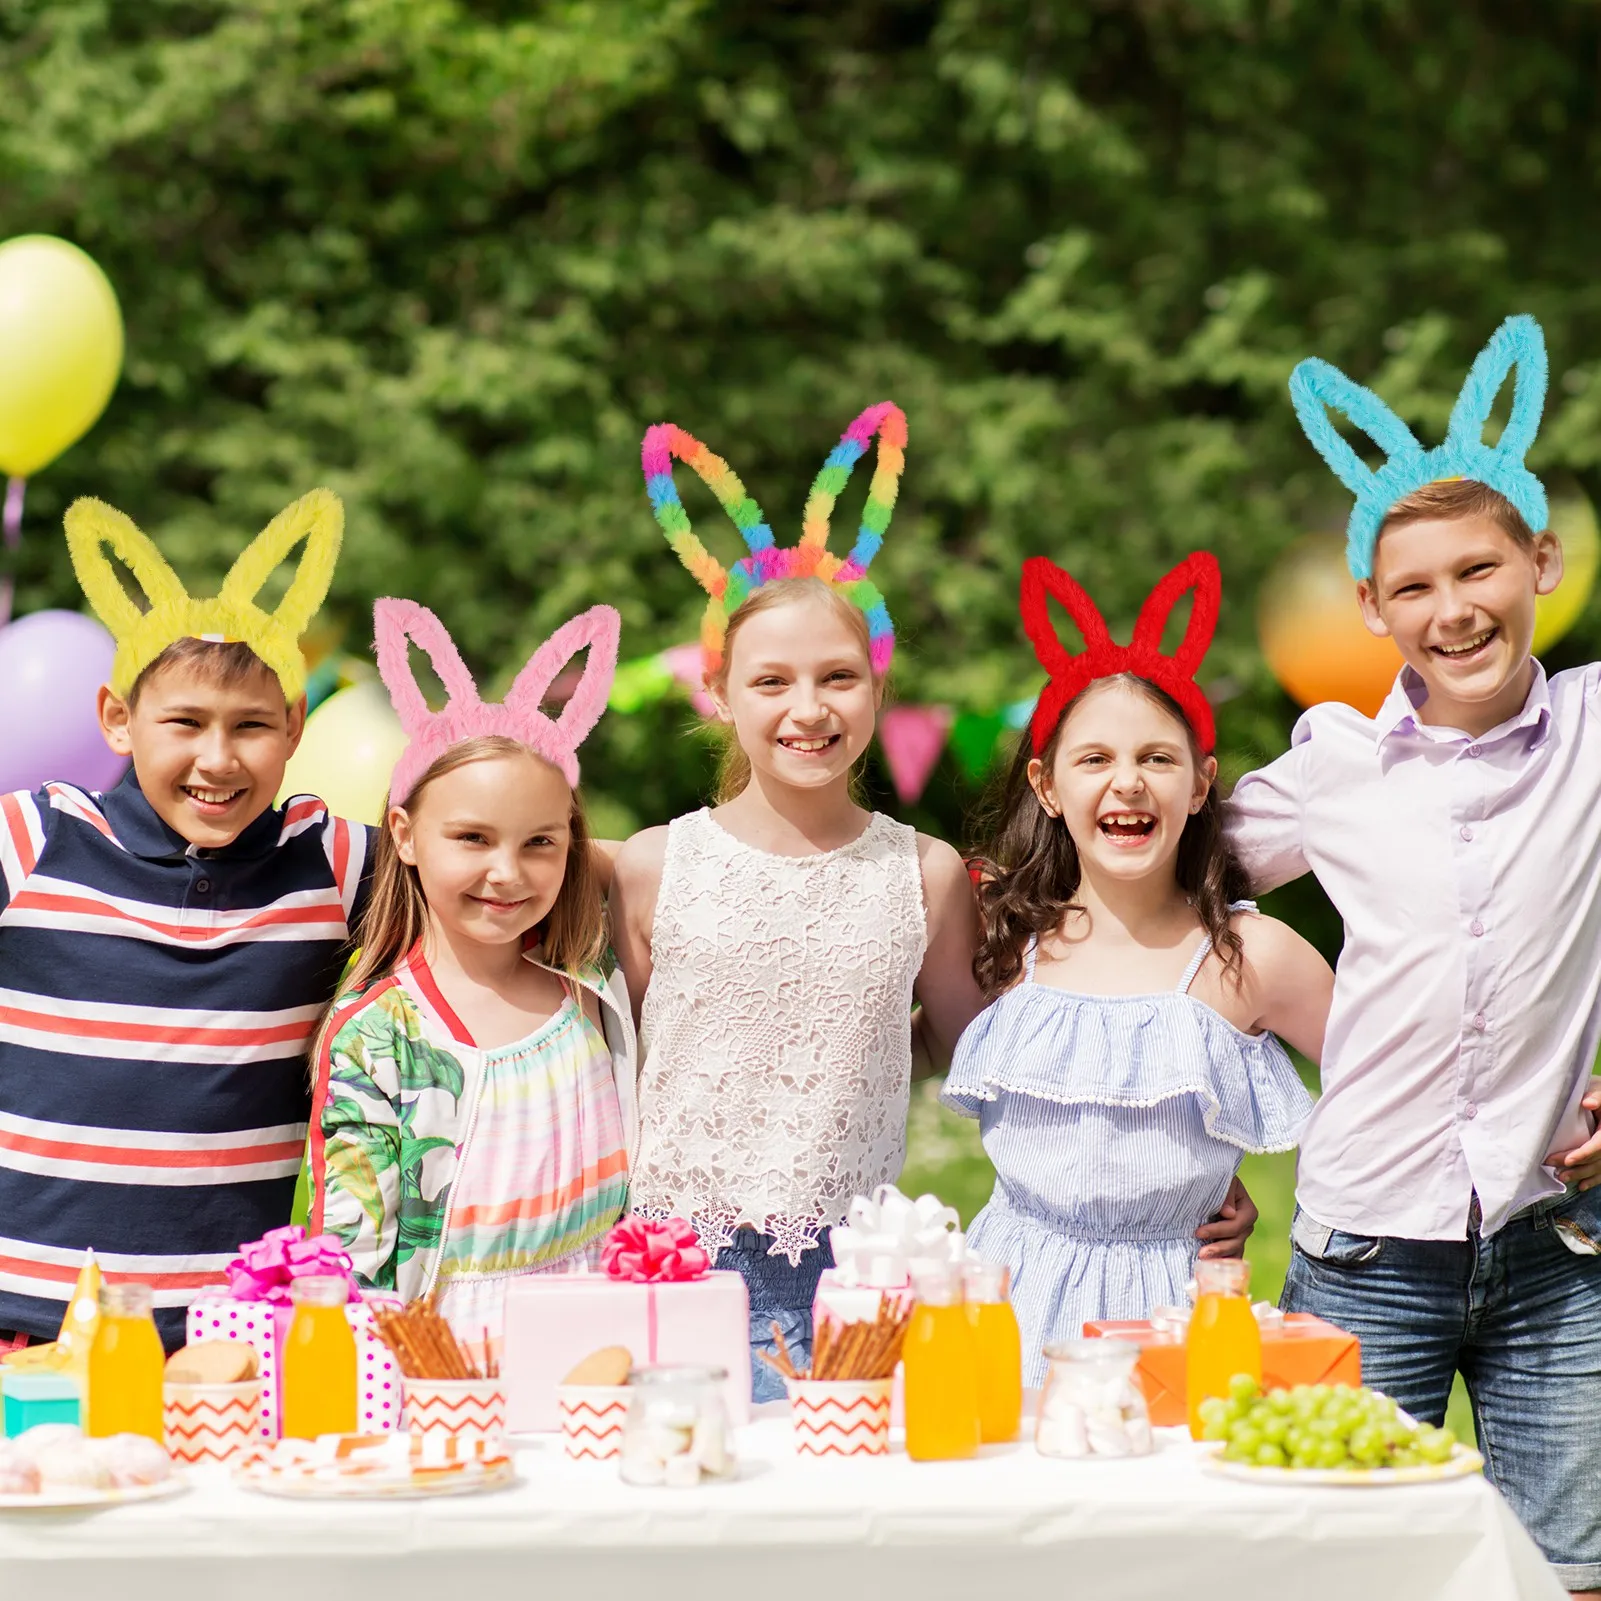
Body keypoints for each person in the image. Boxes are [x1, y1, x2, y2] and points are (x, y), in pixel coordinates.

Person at [1226, 314, 1601, 1596]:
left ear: (1537, 562)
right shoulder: (1331, 762)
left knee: (1570, 1570)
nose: (1452, 607)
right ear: (1371, 607)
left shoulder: (1594, 733)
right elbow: (1151, 870)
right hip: (1363, 1252)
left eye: (1477, 568)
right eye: (1416, 586)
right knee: (1328, 1565)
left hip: (1560, 1246)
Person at [610, 404, 987, 1398]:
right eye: (770, 680)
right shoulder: (652, 866)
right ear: (718, 691)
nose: (807, 708)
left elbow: (981, 1061)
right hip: (673, 1272)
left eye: (836, 678)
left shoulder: (925, 872)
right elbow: (614, 1059)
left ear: (876, 686)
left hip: (851, 1279)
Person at [943, 552, 1328, 1383]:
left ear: (1199, 785)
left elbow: (1397, 1080)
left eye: (1157, 757)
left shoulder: (1248, 956)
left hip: (1172, 1315)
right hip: (1001, 1298)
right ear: (1046, 786)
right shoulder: (1004, 940)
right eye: (1094, 760)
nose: (1127, 782)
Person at [0, 489, 364, 1350]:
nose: (217, 758)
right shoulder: (34, 835)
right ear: (118, 721)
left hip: (227, 1333)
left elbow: (494, 860)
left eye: (251, 727)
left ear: (294, 727)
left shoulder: (331, 862)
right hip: (29, 1313)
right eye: (185, 723)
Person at [309, 599, 634, 1370]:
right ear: (405, 833)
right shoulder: (378, 1033)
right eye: (473, 838)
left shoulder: (591, 999)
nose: (506, 872)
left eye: (539, 843)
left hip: (602, 1355)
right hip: (443, 1372)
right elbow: (348, 1258)